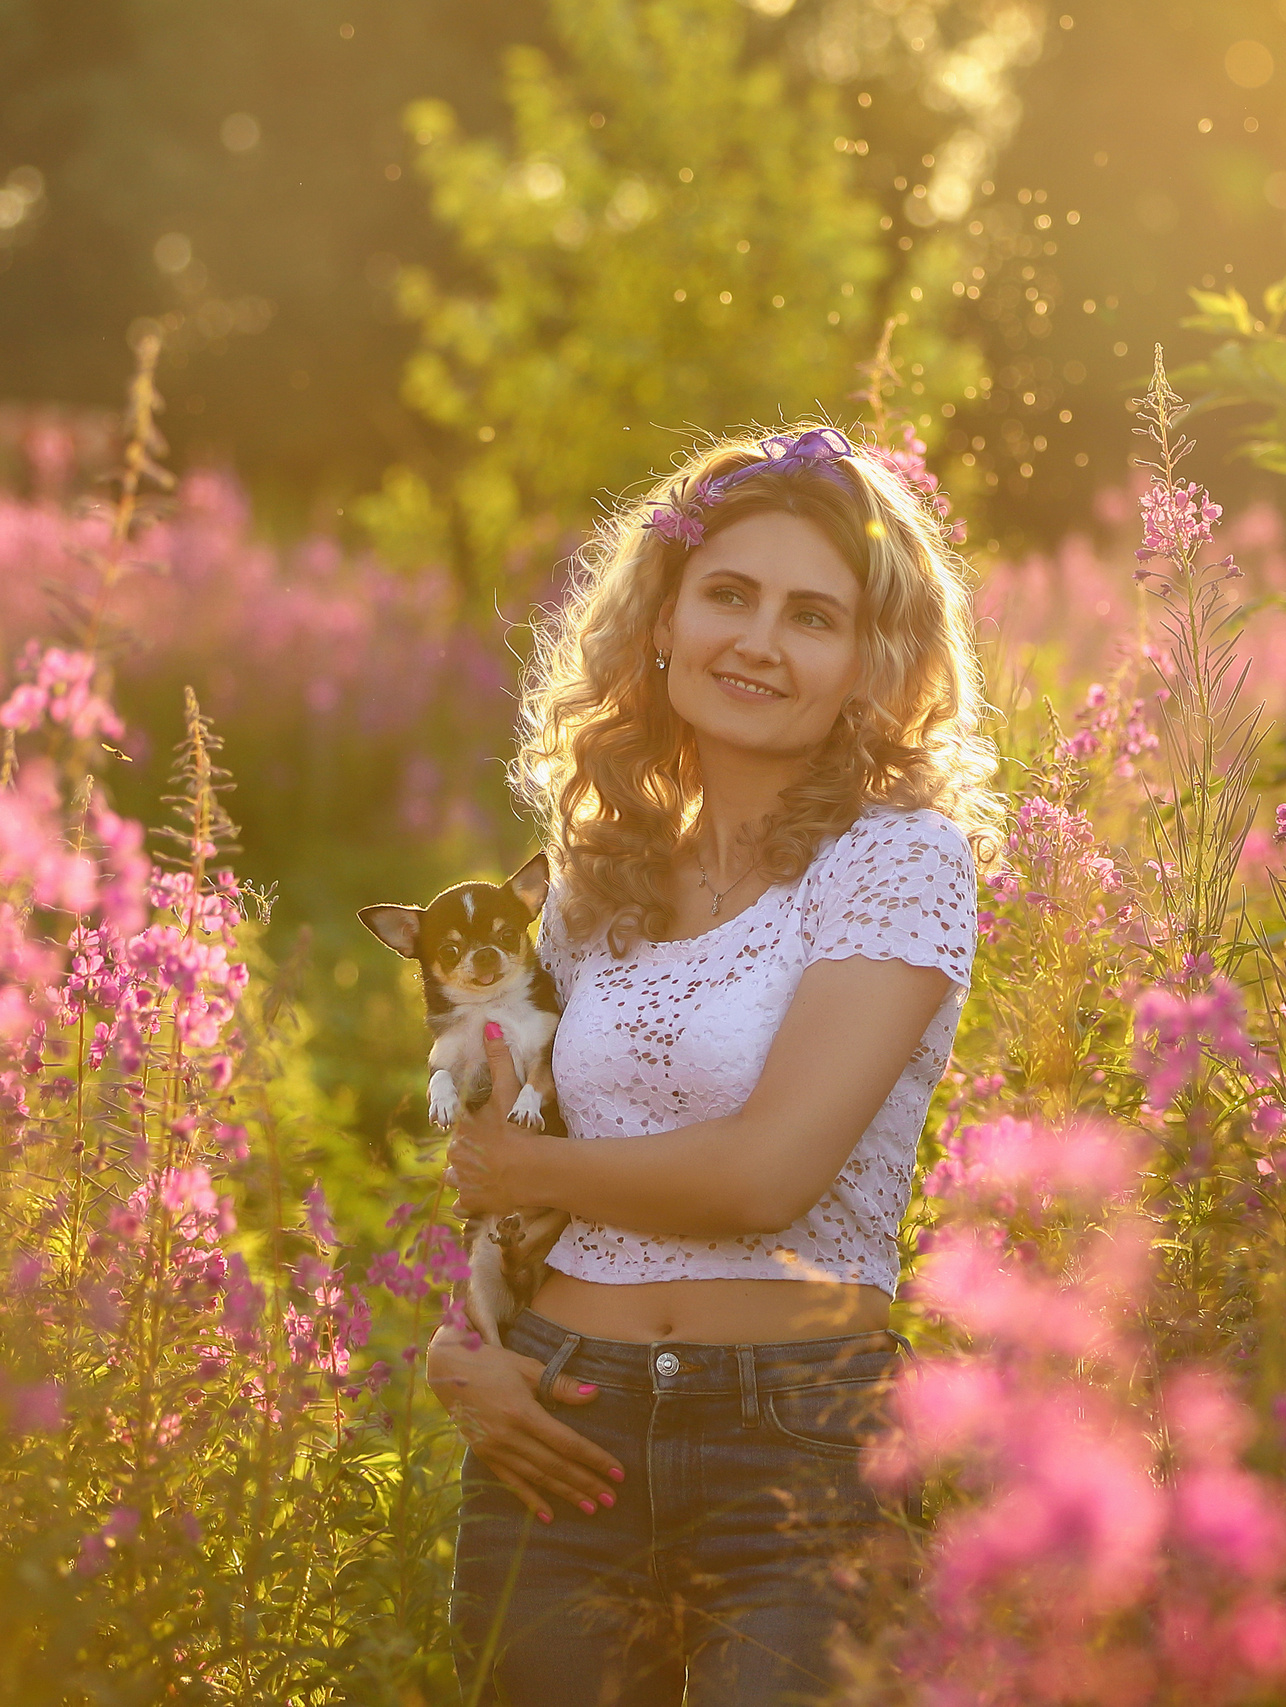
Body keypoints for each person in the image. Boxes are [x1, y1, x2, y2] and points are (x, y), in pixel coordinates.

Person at [427, 423, 1000, 1706]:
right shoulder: (593, 880)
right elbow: (494, 1174)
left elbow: (765, 1177)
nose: (757, 640)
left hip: (793, 1443)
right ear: (662, 620)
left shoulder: (897, 862)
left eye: (813, 616)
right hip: (561, 1421)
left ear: (868, 664)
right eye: (728, 595)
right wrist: (462, 1343)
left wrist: (518, 1161)